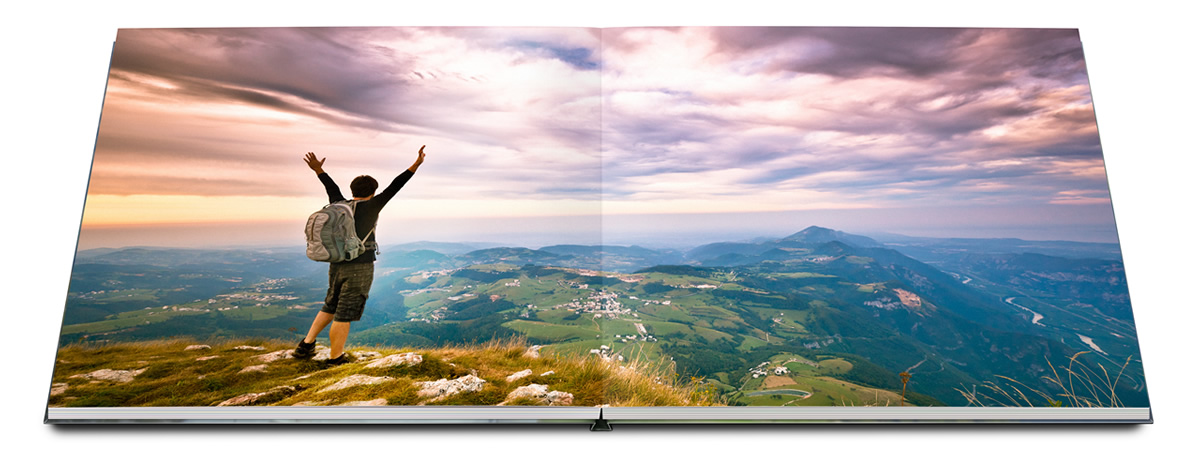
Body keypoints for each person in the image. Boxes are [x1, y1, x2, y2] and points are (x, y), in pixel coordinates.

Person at [294, 146, 426, 365]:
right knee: (344, 312)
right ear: (373, 191)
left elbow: (331, 186)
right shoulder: (373, 205)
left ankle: (306, 345)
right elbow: (396, 185)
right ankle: (336, 358)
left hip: (336, 263)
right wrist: (416, 164)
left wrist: (318, 170)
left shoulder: (339, 204)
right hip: (360, 266)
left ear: (352, 189)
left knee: (331, 303)